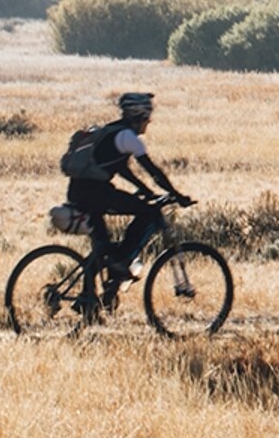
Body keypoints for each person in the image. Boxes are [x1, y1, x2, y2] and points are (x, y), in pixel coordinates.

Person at [65, 91, 190, 302]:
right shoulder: (129, 138)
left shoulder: (114, 131)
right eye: (147, 116)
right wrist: (177, 195)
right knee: (148, 211)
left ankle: (91, 300)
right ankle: (121, 262)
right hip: (96, 193)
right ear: (139, 115)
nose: (149, 122)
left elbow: (121, 168)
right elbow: (154, 172)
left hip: (81, 191)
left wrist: (144, 189)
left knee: (102, 248)